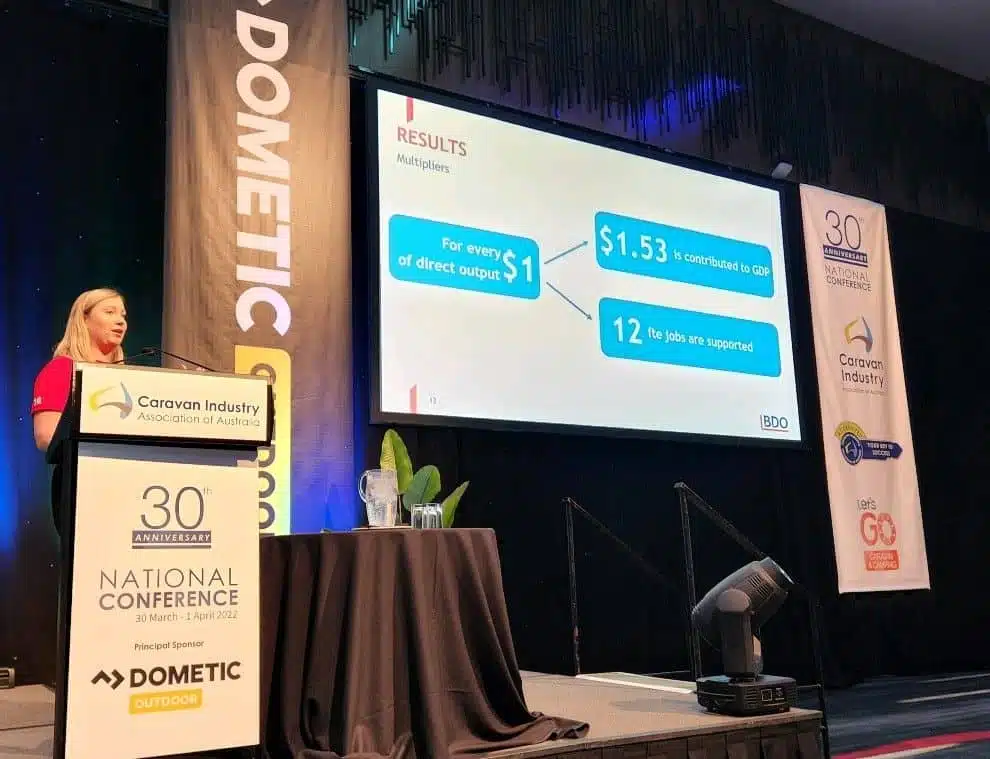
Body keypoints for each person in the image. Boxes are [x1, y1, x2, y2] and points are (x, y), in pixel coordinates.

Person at [31, 288, 128, 452]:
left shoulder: (129, 378)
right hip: (80, 471)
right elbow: (46, 436)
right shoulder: (60, 369)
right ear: (84, 319)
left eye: (123, 315)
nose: (120, 321)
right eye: (110, 312)